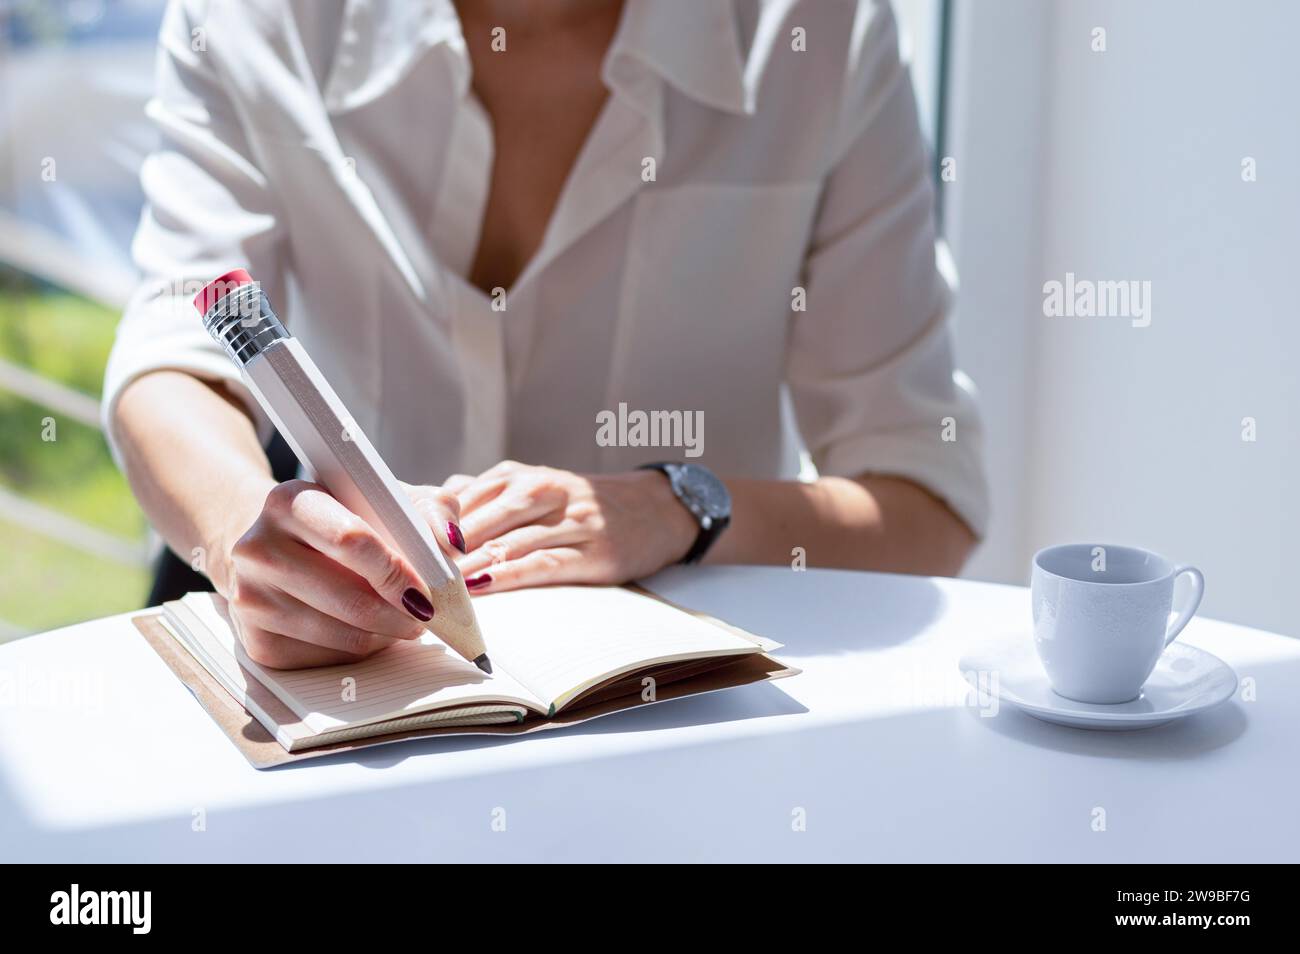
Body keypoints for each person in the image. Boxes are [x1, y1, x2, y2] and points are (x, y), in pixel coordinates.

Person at [105, 0, 989, 669]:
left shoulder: (813, 34)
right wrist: (236, 530)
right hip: (367, 691)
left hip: (671, 726)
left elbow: (923, 498)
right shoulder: (263, 18)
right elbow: (173, 354)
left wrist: (684, 507)